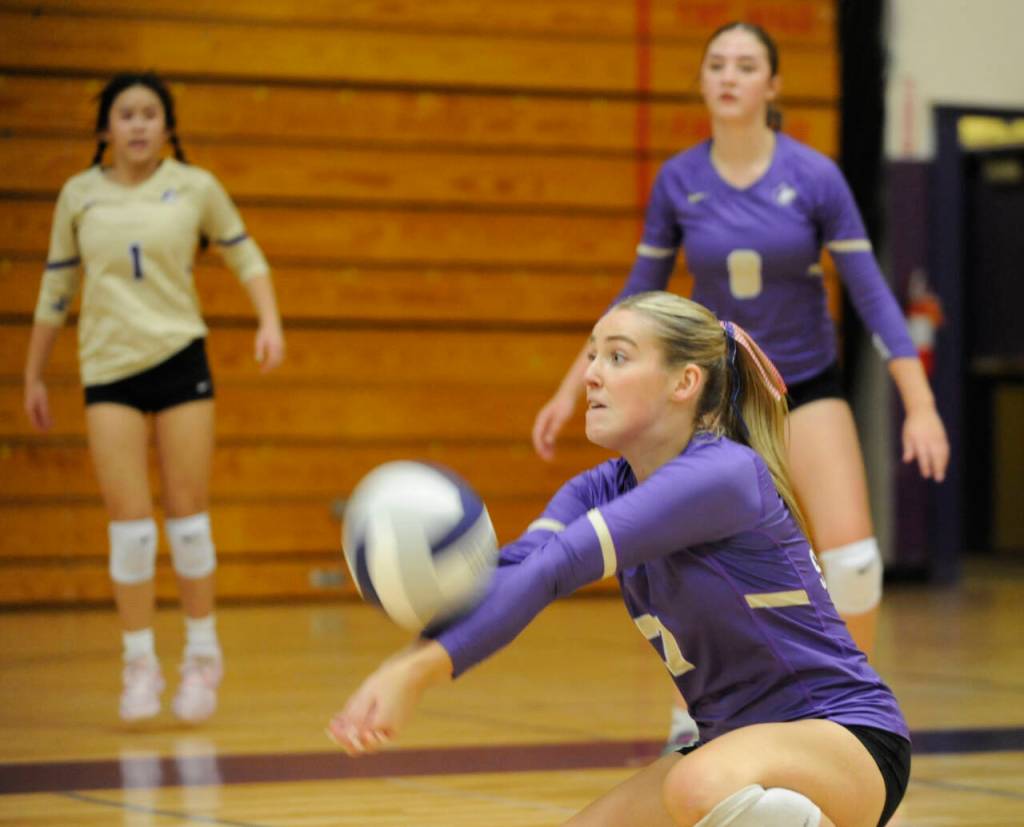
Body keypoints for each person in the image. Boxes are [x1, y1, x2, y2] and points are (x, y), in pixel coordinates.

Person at [328, 292, 911, 827]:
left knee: (699, 784)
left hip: (845, 738)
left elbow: (560, 565)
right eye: (591, 356)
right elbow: (513, 573)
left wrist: (416, 674)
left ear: (684, 382)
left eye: (617, 357)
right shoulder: (595, 489)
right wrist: (409, 659)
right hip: (729, 745)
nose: (590, 375)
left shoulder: (723, 475)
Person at [531, 21, 948, 749]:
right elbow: (636, 297)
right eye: (716, 63)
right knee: (694, 570)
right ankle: (705, 713)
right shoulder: (679, 180)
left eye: (746, 64)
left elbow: (874, 295)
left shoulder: (815, 176)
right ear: (702, 82)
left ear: (772, 85)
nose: (729, 75)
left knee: (851, 562)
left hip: (805, 387)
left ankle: (845, 717)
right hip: (714, 401)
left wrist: (920, 404)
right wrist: (571, 389)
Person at [23, 72, 285, 723]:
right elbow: (55, 291)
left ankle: (202, 654)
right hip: (108, 368)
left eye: (149, 114)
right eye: (125, 114)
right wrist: (33, 373)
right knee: (131, 528)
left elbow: (245, 254)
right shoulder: (78, 196)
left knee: (188, 517)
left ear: (167, 128)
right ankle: (138, 661)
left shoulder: (194, 187)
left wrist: (269, 319)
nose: (137, 125)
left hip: (178, 359)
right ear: (105, 129)